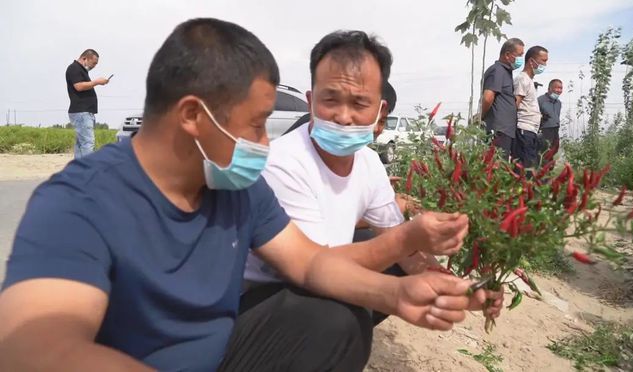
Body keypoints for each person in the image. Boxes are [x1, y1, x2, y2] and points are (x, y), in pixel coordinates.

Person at [0, 19, 498, 372]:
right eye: (258, 126)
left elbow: (310, 264)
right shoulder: (79, 202)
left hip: (226, 353)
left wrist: (399, 294)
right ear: (194, 115)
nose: (267, 144)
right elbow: (33, 349)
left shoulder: (236, 189)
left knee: (331, 319)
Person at [240, 30, 503, 350]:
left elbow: (406, 252)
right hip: (258, 302)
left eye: (359, 103)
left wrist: (461, 292)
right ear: (311, 101)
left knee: (388, 256)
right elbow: (313, 270)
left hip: (311, 280)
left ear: (379, 112)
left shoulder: (368, 163)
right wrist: (398, 284)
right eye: (330, 100)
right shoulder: (283, 163)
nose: (344, 117)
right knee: (336, 318)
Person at [481, 38, 525, 159]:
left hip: (506, 130)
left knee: (503, 167)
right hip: (498, 130)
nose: (521, 59)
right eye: (520, 55)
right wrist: (481, 117)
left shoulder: (506, 72)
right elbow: (488, 98)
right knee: (496, 166)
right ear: (507, 55)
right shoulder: (497, 70)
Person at [65, 49, 110, 158]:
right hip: (82, 112)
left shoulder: (81, 70)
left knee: (81, 144)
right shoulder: (74, 68)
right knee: (88, 143)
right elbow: (79, 86)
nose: (94, 66)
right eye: (94, 63)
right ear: (85, 58)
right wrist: (97, 82)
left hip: (84, 112)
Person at [512, 46, 549, 170]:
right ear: (531, 61)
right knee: (524, 169)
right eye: (543, 60)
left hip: (531, 131)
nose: (545, 64)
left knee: (530, 168)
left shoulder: (529, 81)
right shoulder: (522, 79)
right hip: (524, 130)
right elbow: (515, 105)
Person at [538, 79, 563, 155]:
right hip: (544, 131)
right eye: (557, 88)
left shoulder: (558, 103)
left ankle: (550, 167)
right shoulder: (540, 100)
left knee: (553, 151)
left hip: (555, 130)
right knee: (544, 153)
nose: (559, 90)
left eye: (561, 88)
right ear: (549, 89)